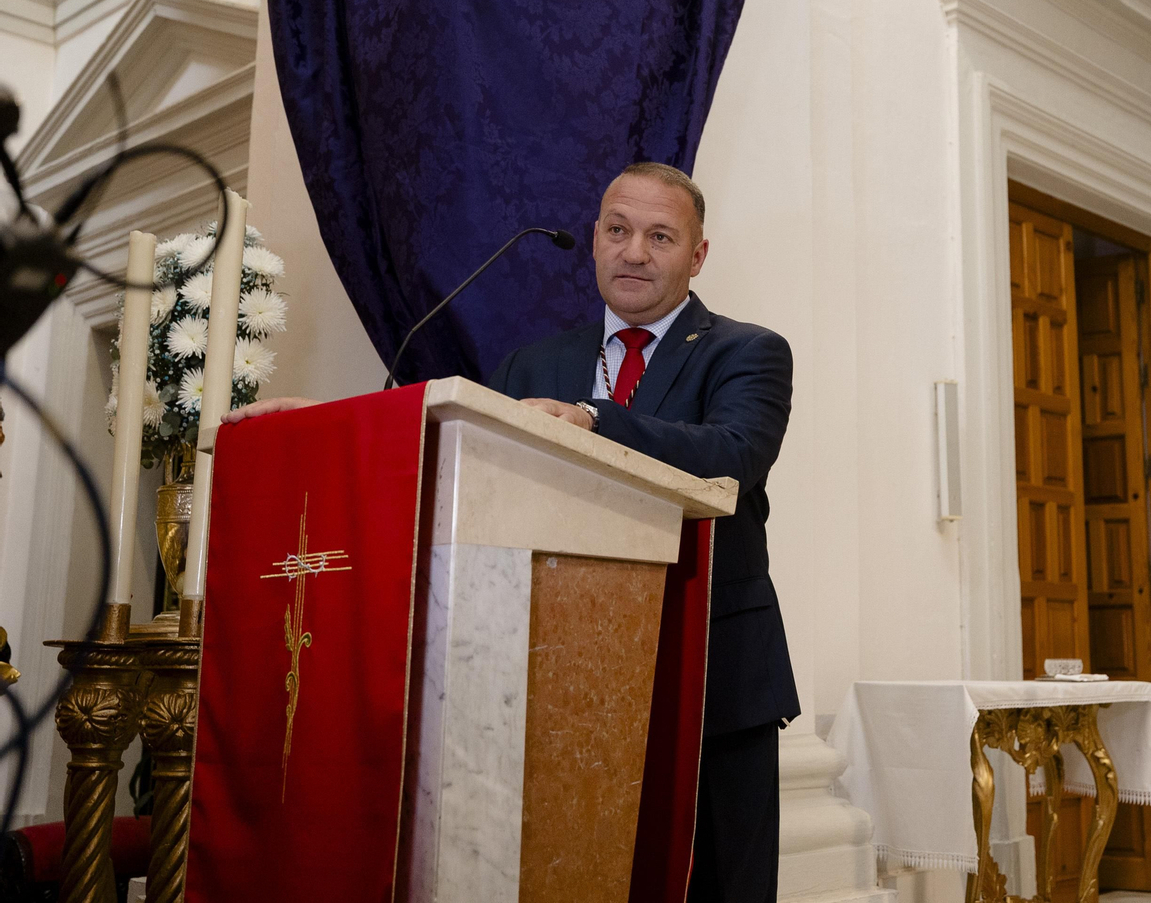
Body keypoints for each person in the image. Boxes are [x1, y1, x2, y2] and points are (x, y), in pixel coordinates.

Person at [228, 161, 800, 903]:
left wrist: (592, 419)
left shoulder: (746, 351)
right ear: (594, 239)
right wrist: (324, 421)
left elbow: (734, 456)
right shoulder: (537, 361)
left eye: (660, 237)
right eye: (619, 231)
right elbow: (444, 447)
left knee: (719, 882)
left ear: (697, 256)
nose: (634, 252)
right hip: (554, 676)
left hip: (712, 676)